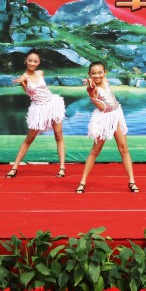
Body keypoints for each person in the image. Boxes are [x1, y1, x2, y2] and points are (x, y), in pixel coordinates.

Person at [75, 61, 138, 194]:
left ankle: (132, 181)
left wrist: (91, 79)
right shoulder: (92, 88)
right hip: (103, 119)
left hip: (116, 115)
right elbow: (93, 92)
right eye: (93, 73)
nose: (97, 76)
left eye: (100, 73)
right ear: (89, 74)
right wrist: (89, 84)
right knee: (95, 151)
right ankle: (82, 182)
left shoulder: (106, 81)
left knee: (123, 148)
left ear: (105, 73)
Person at [6, 49, 67, 179]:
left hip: (53, 105)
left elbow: (43, 89)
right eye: (30, 61)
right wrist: (22, 79)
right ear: (25, 61)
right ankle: (14, 167)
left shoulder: (40, 73)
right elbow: (27, 87)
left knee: (58, 135)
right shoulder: (23, 79)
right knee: (29, 139)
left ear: (38, 62)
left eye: (35, 61)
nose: (32, 63)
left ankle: (62, 167)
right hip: (39, 109)